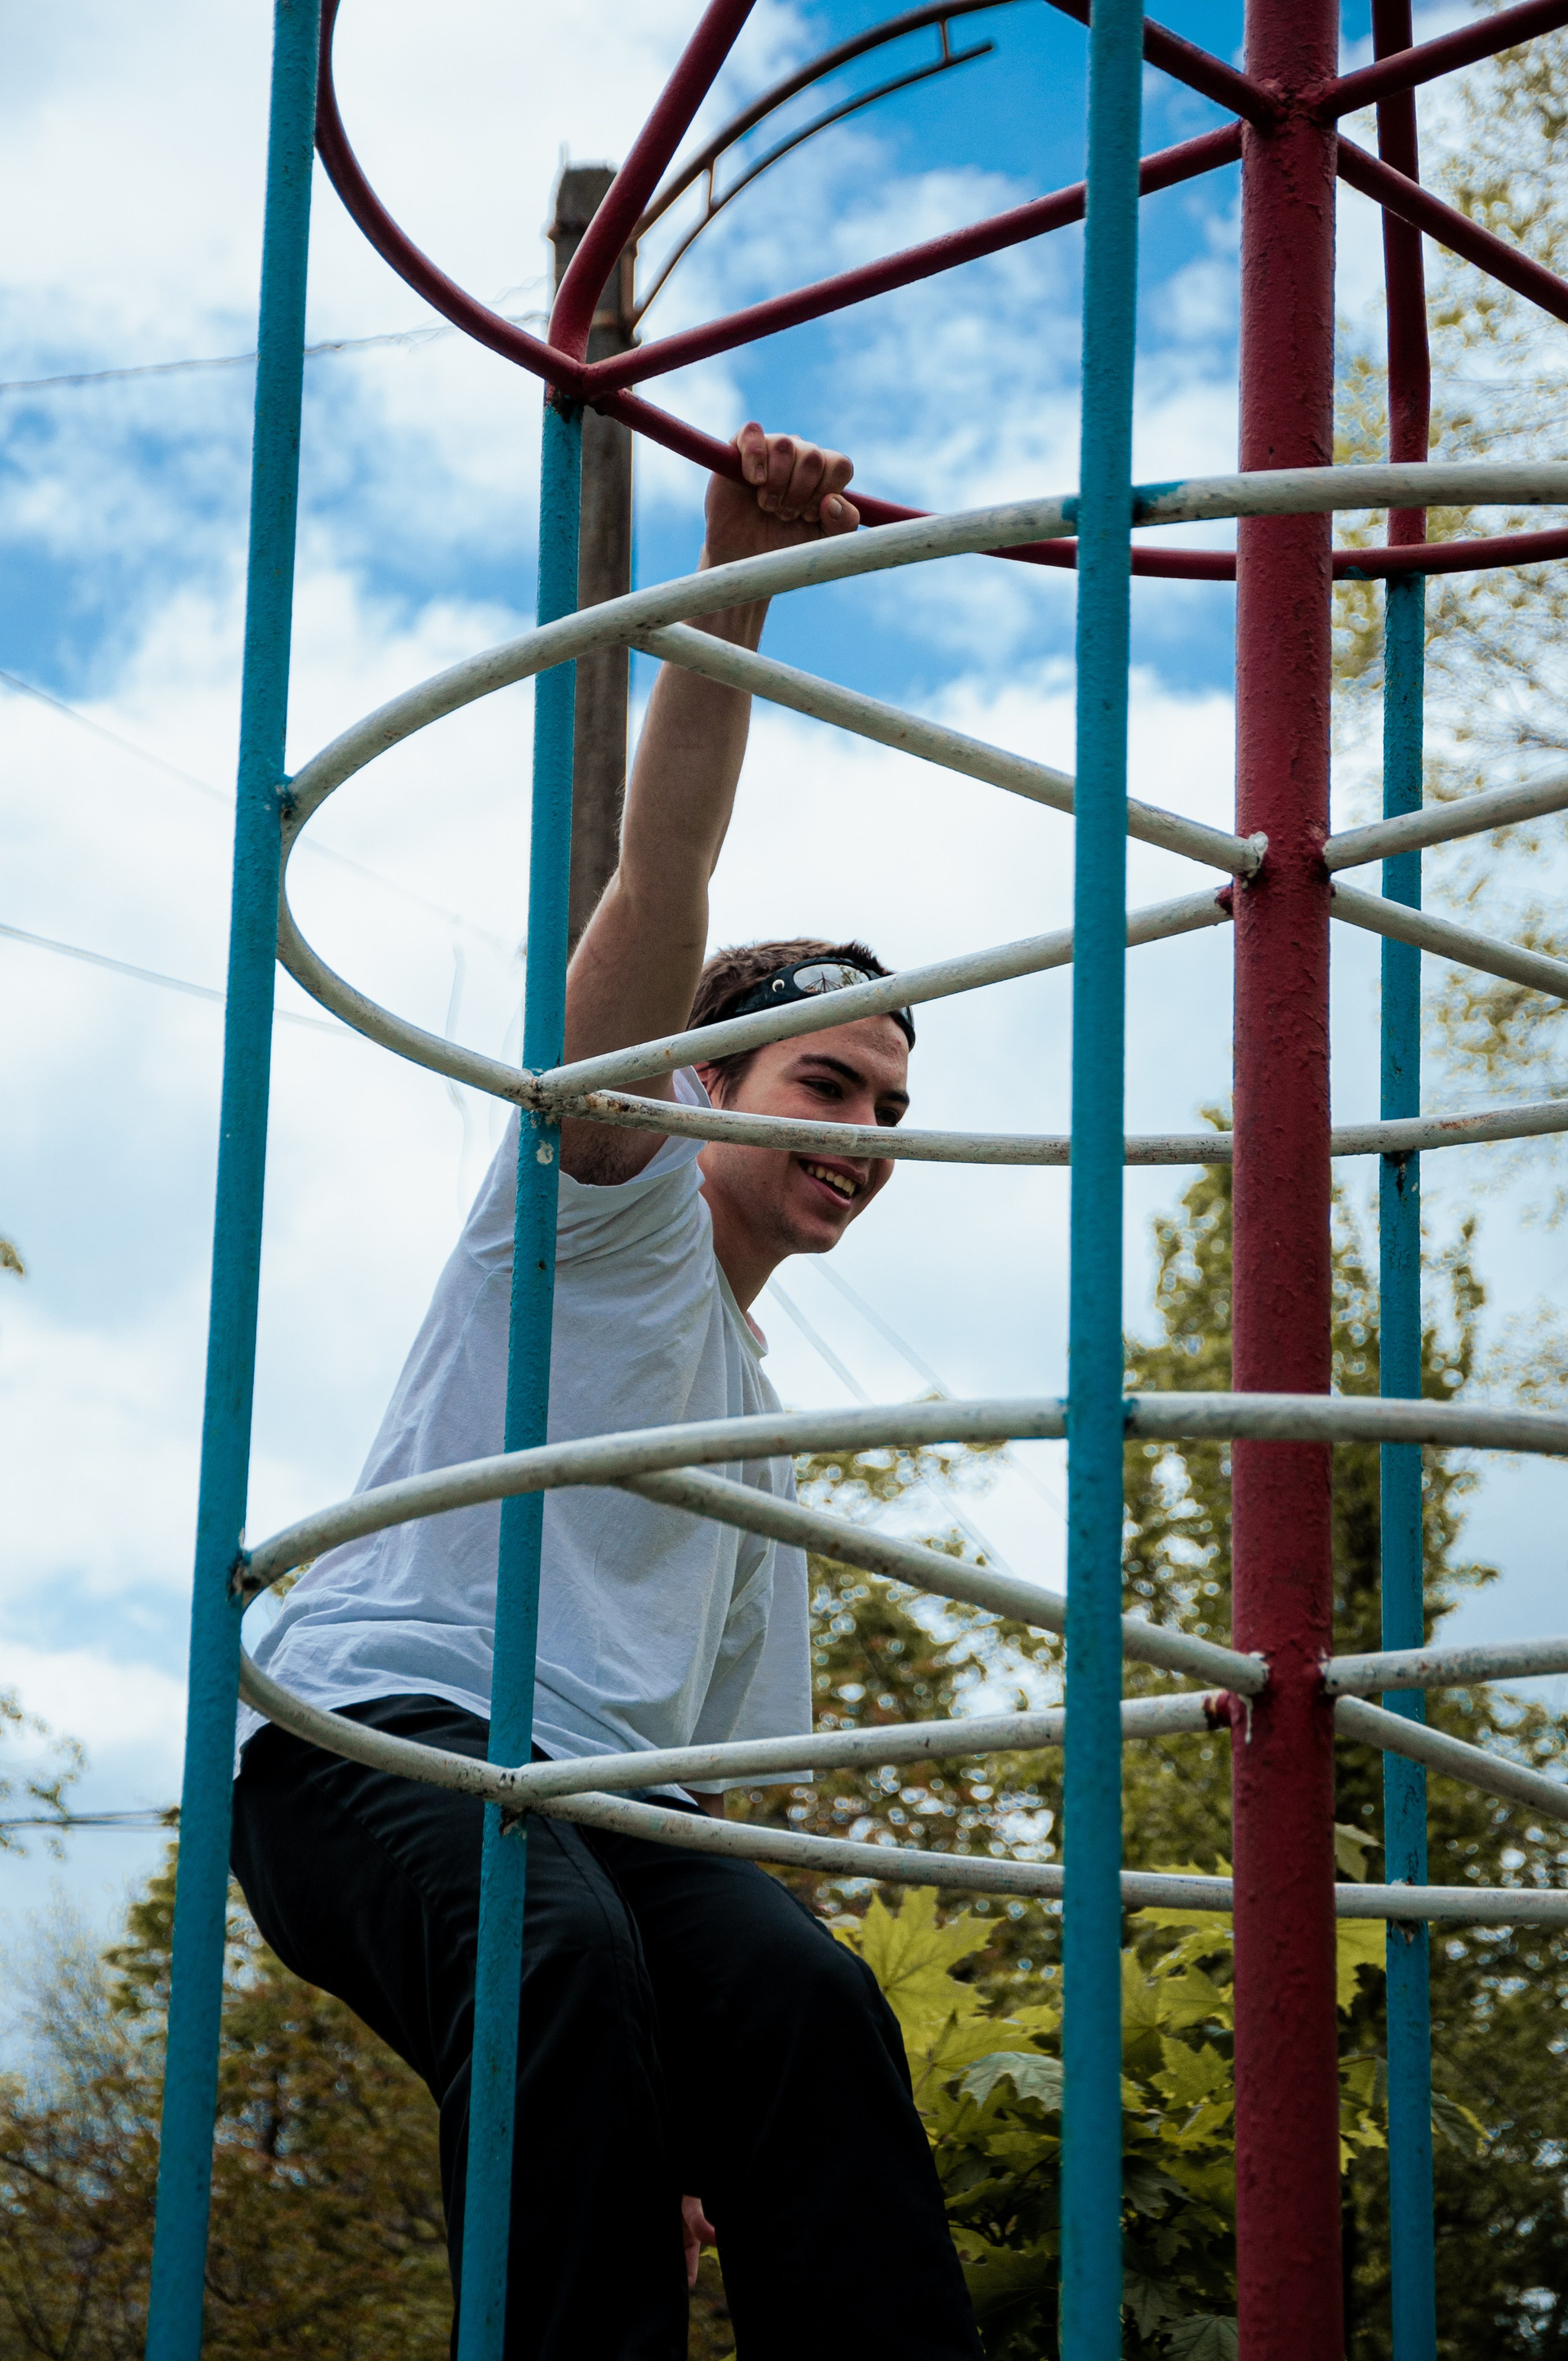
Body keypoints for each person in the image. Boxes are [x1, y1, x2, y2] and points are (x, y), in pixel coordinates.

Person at [230, 425, 983, 2359]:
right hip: (381, 1749)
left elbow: (708, 1812)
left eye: (892, 1110)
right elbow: (671, 865)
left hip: (612, 1818)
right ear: (703, 1086)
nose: (865, 1136)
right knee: (552, 1944)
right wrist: (741, 578)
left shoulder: (755, 1438)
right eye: (826, 1085)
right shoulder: (606, 1201)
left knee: (807, 2003)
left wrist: (697, 2100)